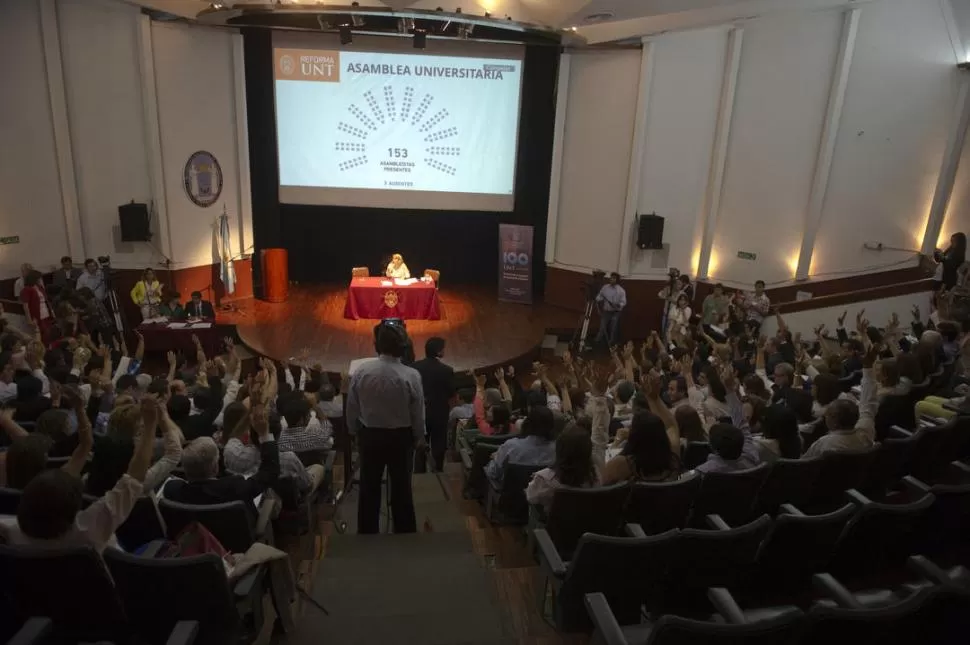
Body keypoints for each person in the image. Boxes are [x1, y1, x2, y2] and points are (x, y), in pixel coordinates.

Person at [0, 396, 159, 552]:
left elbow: (86, 447)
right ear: (76, 508)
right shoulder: (90, 529)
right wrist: (151, 425)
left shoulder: (8, 530)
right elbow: (134, 478)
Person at [346, 322, 426, 534]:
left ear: (376, 345)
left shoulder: (362, 372)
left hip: (370, 436)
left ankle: (367, 531)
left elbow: (352, 406)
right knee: (402, 487)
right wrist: (419, 435)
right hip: (401, 438)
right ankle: (405, 531)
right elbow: (417, 411)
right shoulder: (411, 376)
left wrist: (353, 431)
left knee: (369, 486)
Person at [164, 401, 280, 513]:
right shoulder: (235, 488)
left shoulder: (172, 490)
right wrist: (264, 434)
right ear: (215, 468)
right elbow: (270, 471)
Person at [803, 345, 879, 458]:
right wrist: (868, 368)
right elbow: (868, 404)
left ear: (833, 422)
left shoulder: (824, 443)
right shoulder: (866, 433)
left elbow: (804, 464)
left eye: (828, 416)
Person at [525, 425, 600, 513]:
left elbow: (530, 498)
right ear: (588, 451)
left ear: (559, 449)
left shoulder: (544, 480)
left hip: (552, 525)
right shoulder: (594, 476)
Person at [411, 336, 455, 472]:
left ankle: (419, 471)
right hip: (440, 413)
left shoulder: (415, 367)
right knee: (439, 443)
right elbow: (451, 392)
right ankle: (438, 470)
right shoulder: (447, 370)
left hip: (421, 411)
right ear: (439, 351)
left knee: (420, 442)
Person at [485, 406, 556, 488]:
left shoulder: (510, 446)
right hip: (543, 498)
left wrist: (496, 458)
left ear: (527, 423)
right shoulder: (557, 450)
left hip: (511, 498)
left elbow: (492, 473)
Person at [595, 271, 626, 347]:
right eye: (611, 278)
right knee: (602, 327)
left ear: (617, 280)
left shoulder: (621, 290)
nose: (612, 279)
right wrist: (598, 299)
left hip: (616, 312)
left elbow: (623, 302)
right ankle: (597, 341)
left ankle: (611, 344)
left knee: (613, 327)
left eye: (614, 278)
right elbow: (599, 296)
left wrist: (618, 305)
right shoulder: (605, 287)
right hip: (606, 311)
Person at [20, 270, 54, 340]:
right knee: (44, 334)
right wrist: (29, 319)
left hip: (46, 313)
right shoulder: (26, 290)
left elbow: (46, 300)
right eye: (39, 278)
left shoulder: (39, 287)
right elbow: (26, 306)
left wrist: (51, 311)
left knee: (50, 332)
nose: (40, 280)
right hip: (37, 315)